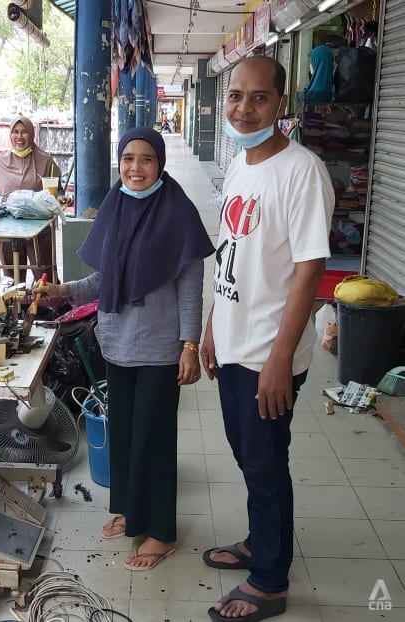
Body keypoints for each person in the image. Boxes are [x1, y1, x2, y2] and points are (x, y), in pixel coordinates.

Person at [34, 126, 214, 571]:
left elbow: (191, 289)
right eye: (128, 158)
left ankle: (162, 532)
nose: (136, 168)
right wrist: (63, 289)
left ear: (161, 163)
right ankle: (130, 510)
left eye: (146, 159)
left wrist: (189, 345)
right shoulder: (114, 205)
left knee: (153, 438)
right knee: (125, 433)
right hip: (115, 342)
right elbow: (102, 281)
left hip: (159, 346)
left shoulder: (179, 213)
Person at [201, 56, 334, 622]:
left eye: (258, 97)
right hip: (233, 340)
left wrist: (281, 359)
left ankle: (270, 582)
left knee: (265, 462)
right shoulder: (239, 165)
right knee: (248, 454)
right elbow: (232, 252)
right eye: (235, 95)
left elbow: (310, 270)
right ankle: (263, 541)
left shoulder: (303, 170)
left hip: (267, 352)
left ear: (282, 104)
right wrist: (210, 326)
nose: (243, 107)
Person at [0, 116, 71, 281]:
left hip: (39, 228)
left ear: (32, 134)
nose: (19, 137)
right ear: (10, 135)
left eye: (24, 132)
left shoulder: (45, 161)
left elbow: (58, 191)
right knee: (12, 281)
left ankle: (48, 306)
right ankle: (17, 307)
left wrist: (62, 198)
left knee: (45, 278)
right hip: (7, 228)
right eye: (15, 132)